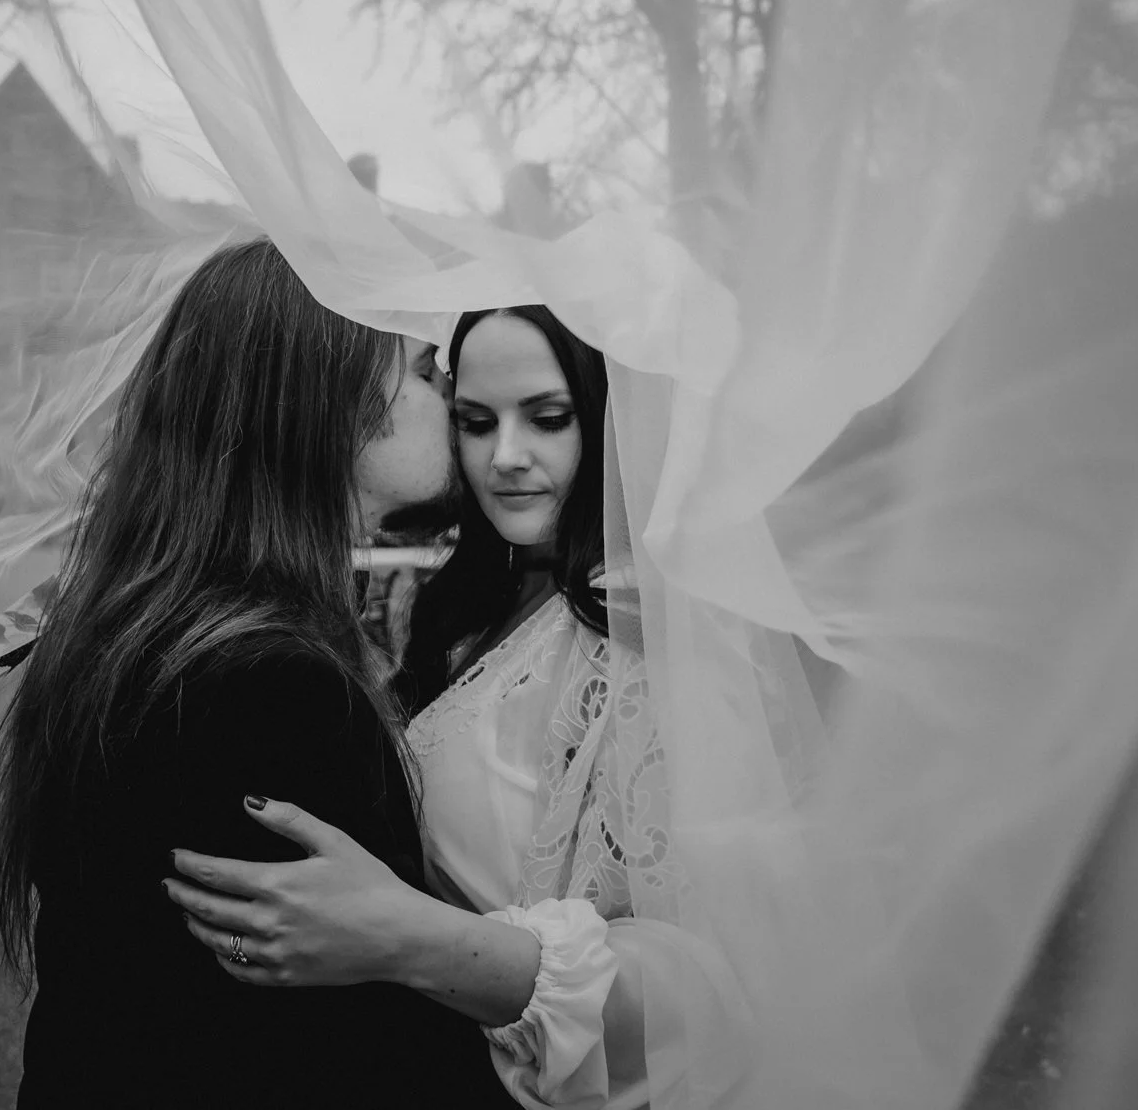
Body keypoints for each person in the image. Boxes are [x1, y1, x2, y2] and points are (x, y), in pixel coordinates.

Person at [0, 238, 521, 1108]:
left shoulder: (146, 628)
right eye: (423, 374)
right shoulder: (272, 687)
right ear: (332, 408)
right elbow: (362, 1050)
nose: (447, 400)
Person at [166, 305, 747, 1109]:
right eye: (474, 421)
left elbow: (716, 987)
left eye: (548, 418)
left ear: (615, 420)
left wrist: (415, 938)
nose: (506, 457)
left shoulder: (651, 638)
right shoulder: (469, 606)